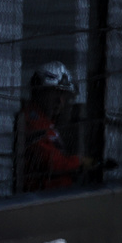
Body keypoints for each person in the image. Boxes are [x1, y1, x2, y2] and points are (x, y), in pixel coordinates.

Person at [19, 61, 89, 191]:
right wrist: (81, 162)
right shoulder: (32, 121)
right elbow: (52, 163)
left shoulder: (46, 123)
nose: (60, 100)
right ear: (39, 92)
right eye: (54, 92)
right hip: (41, 198)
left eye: (63, 94)